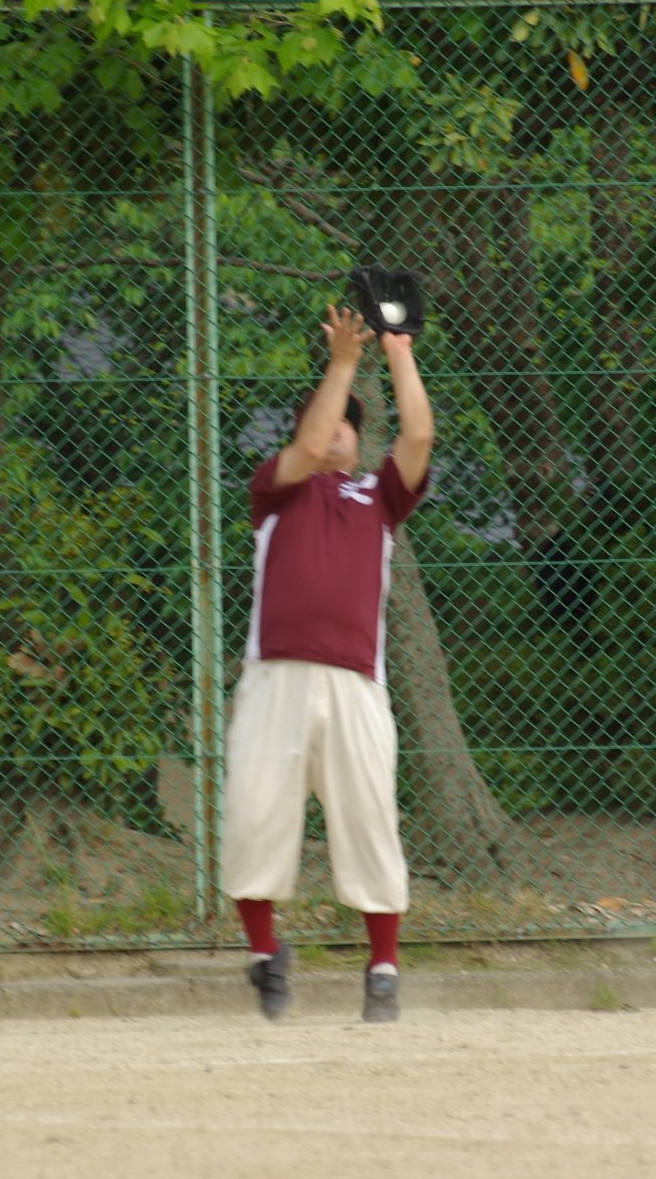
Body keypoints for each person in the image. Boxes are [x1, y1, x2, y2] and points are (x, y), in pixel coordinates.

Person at [225, 305, 433, 1023]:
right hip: (274, 678)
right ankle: (266, 955)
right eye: (328, 419)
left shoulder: (379, 497)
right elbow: (309, 443)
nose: (337, 429)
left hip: (354, 683)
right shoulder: (277, 489)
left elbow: (419, 436)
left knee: (370, 822)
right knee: (253, 818)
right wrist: (342, 362)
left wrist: (398, 352)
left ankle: (383, 969)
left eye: (350, 422)